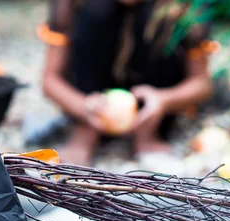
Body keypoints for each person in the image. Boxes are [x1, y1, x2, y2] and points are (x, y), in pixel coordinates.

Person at [39, 0, 215, 166]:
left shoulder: (187, 5)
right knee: (97, 10)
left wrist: (163, 100)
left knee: (162, 16)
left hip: (158, 104)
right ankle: (84, 130)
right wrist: (82, 107)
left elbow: (202, 82)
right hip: (88, 99)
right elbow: (50, 80)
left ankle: (149, 131)